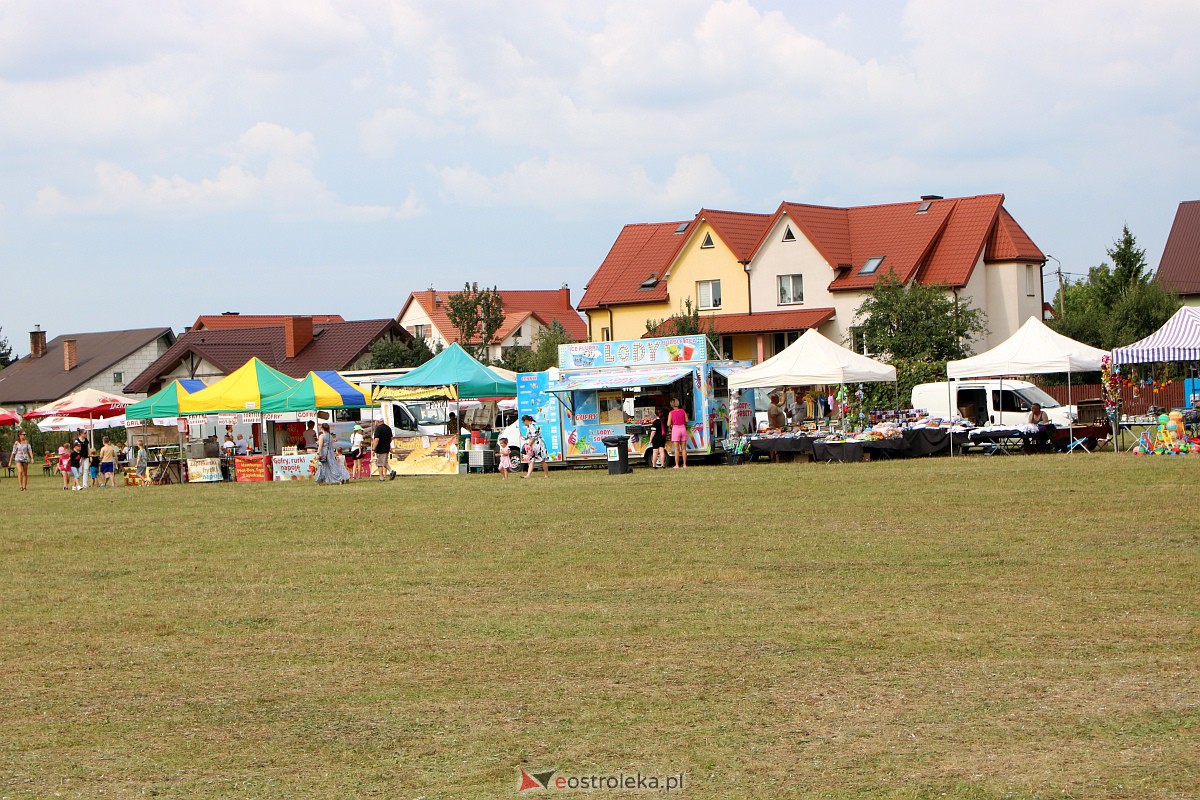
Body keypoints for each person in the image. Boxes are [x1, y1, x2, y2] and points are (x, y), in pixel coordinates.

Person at [667, 398, 688, 469]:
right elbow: (687, 420)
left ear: (672, 405)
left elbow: (668, 423)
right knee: (684, 449)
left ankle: (677, 464)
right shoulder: (683, 411)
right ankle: (684, 464)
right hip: (683, 428)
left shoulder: (671, 413)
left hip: (675, 429)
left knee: (676, 449)